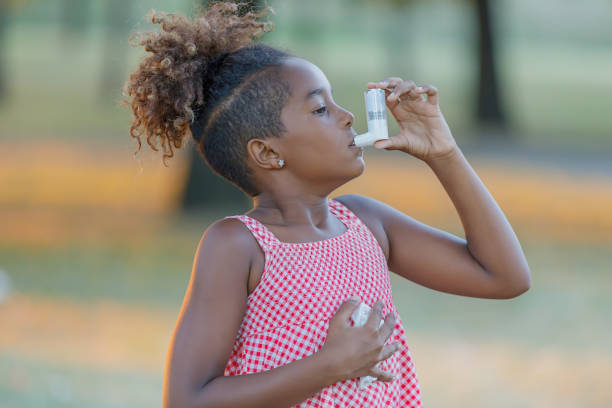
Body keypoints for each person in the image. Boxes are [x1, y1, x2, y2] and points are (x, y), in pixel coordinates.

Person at [123, 2, 531, 407]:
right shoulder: (238, 245)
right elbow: (186, 400)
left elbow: (504, 277)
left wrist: (443, 153)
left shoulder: (366, 223)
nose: (348, 116)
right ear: (267, 152)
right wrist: (331, 365)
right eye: (320, 109)